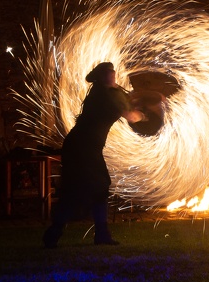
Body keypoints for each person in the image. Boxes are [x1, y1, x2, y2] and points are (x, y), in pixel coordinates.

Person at [43, 62, 147, 248]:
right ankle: (75, 233)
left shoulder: (107, 92)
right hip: (82, 147)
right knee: (87, 188)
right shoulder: (105, 95)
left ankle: (69, 233)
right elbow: (131, 116)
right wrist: (146, 117)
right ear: (100, 77)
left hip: (84, 146)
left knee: (89, 188)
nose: (113, 75)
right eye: (109, 73)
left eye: (113, 72)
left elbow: (128, 101)